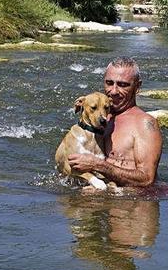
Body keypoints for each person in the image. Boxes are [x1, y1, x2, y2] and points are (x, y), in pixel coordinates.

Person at [68, 57, 162, 187]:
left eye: (123, 85)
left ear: (137, 87)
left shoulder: (144, 124)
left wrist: (97, 165)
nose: (113, 91)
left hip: (128, 204)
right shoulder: (97, 118)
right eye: (109, 83)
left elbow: (146, 179)